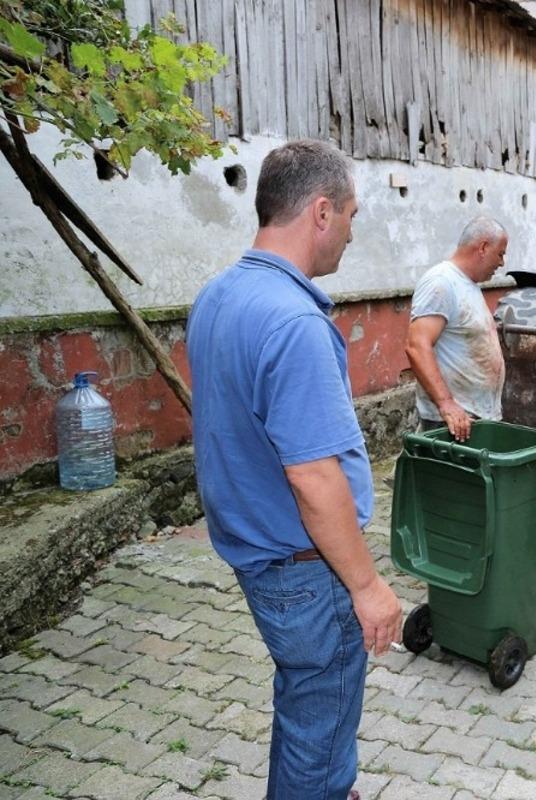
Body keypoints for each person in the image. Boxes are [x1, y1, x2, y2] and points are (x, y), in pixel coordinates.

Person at [187, 140, 402, 800]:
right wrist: (367, 586)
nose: (352, 232)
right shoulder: (295, 323)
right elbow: (314, 477)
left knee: (305, 710)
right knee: (320, 733)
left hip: (259, 555)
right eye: (351, 215)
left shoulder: (218, 296)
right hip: (307, 571)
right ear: (321, 212)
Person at [405, 217, 508, 441]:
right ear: (483, 247)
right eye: (500, 254)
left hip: (472, 419)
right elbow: (417, 346)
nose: (502, 263)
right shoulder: (441, 282)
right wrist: (446, 404)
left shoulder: (467, 284)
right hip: (453, 423)